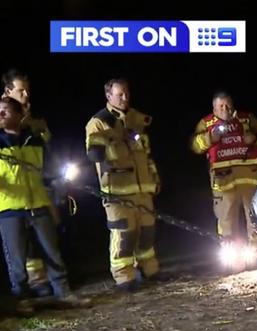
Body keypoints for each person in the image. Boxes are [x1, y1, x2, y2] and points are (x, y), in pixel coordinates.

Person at [0, 97, 86, 312]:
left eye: (6, 111)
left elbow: (48, 169)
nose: (0, 115)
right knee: (17, 260)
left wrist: (59, 186)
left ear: (19, 116)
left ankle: (63, 293)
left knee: (52, 251)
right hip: (9, 208)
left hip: (38, 204)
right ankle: (22, 300)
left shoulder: (34, 140)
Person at [85, 78, 161, 291]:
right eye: (119, 94)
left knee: (147, 231)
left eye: (127, 93)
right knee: (124, 234)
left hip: (143, 188)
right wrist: (113, 139)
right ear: (108, 96)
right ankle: (124, 277)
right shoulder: (98, 122)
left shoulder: (137, 119)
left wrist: (154, 178)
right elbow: (94, 154)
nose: (125, 98)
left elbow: (147, 155)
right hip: (116, 192)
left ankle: (149, 270)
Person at [190, 91, 257, 242]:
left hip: (249, 177)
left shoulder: (246, 118)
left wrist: (255, 137)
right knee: (226, 218)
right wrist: (210, 138)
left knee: (256, 217)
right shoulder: (206, 123)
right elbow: (195, 146)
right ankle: (231, 258)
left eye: (227, 106)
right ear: (214, 109)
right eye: (220, 106)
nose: (225, 109)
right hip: (223, 180)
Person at [2, 68, 54, 297]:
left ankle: (42, 284)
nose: (25, 96)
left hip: (37, 193)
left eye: (27, 91)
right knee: (19, 250)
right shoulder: (2, 119)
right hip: (11, 201)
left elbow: (48, 148)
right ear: (8, 91)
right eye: (20, 91)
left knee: (44, 243)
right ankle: (25, 292)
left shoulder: (33, 122)